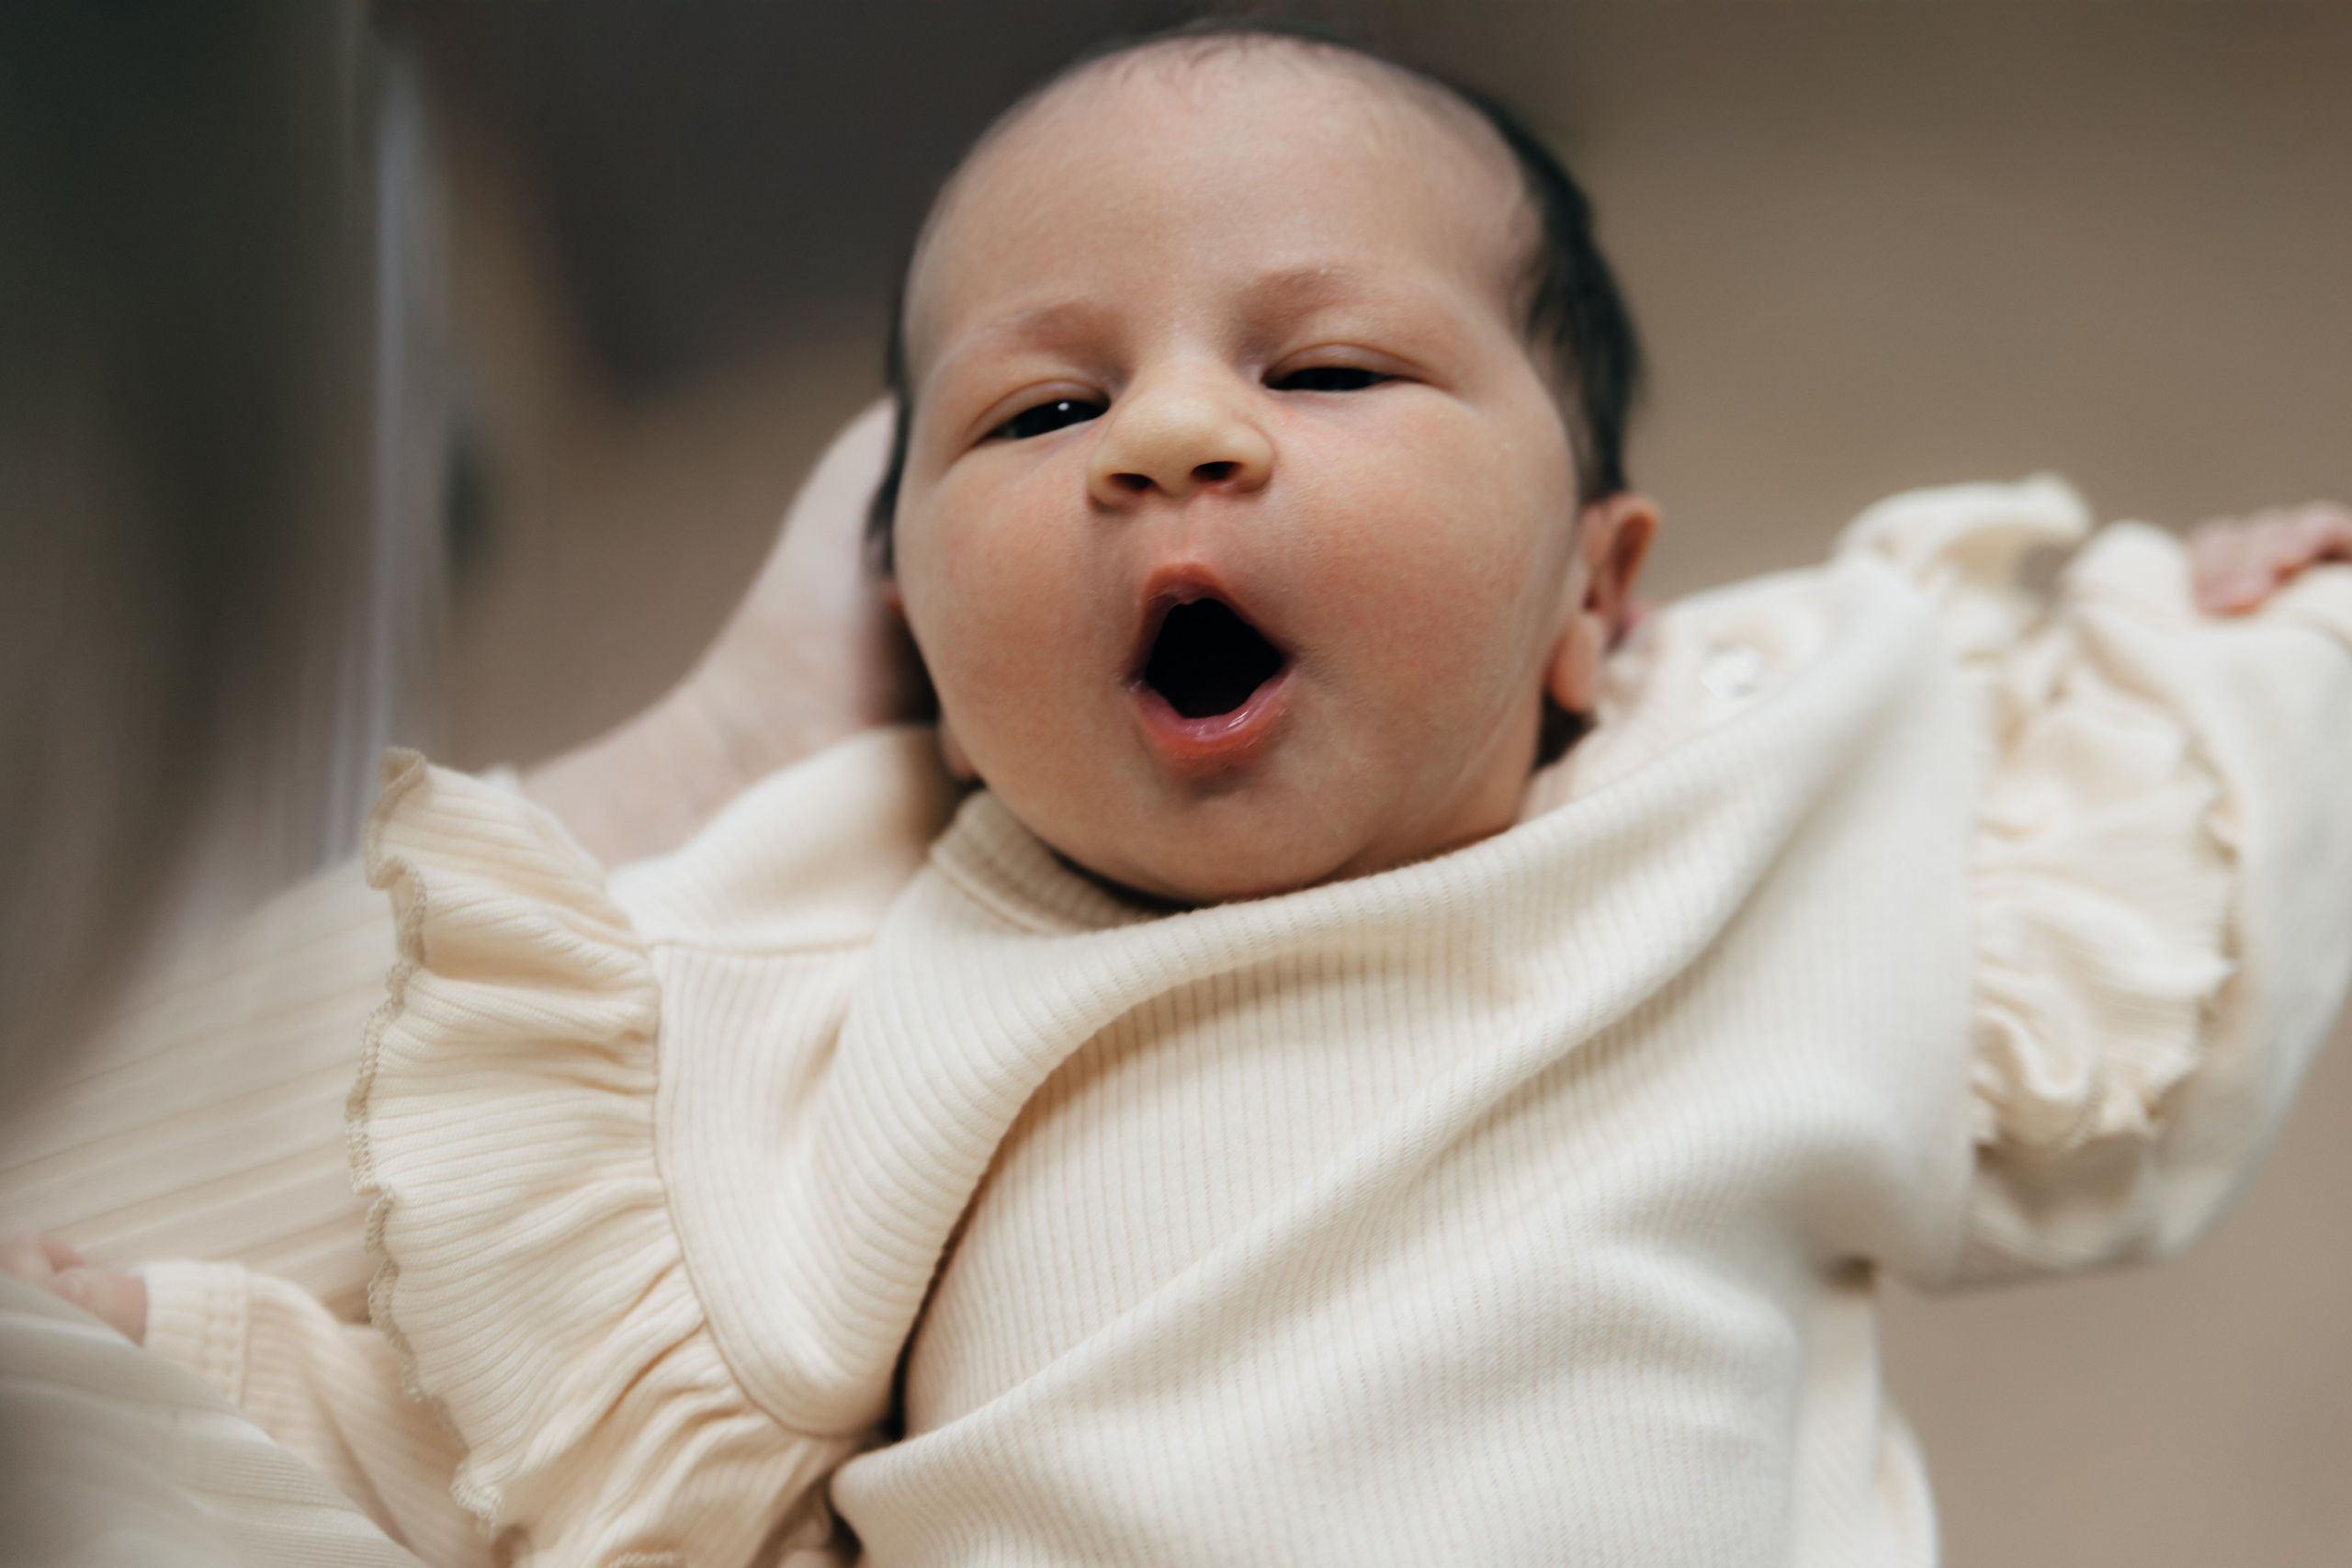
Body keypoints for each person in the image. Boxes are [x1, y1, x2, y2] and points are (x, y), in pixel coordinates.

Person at [14, 19, 2352, 1566]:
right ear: (912, 615)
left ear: (1594, 597)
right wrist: (203, 1360)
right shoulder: (874, 949)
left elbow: (2143, 934)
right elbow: (563, 1438)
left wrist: (2240, 647)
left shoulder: (1743, 800)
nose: (1166, 434)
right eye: (1035, 418)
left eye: (1325, 364)